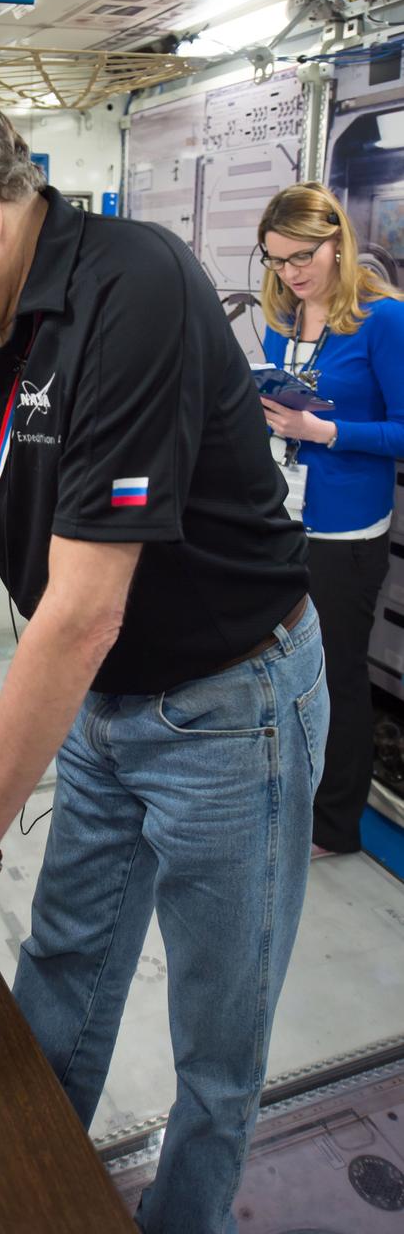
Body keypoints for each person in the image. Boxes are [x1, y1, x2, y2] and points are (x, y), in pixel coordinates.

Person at [0, 71, 328, 1233]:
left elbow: (83, 609)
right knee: (65, 970)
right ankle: (16, 1196)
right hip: (105, 710)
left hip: (230, 710)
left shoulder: (133, 289)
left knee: (217, 1038)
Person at [257, 182, 404, 858]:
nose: (290, 273)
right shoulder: (280, 321)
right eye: (276, 261)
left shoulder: (381, 320)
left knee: (334, 675)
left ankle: (334, 826)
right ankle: (288, 801)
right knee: (279, 674)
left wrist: (323, 432)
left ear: (336, 240)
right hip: (279, 519)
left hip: (344, 533)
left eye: (300, 256)